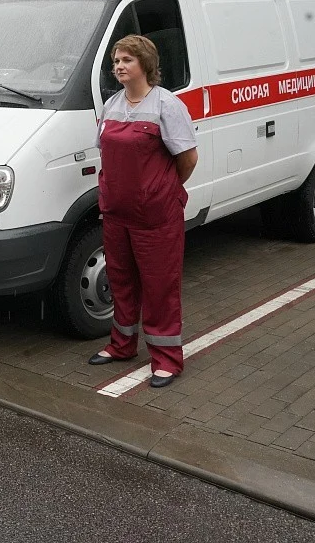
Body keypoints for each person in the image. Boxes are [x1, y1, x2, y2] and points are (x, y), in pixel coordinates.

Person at [88, 35, 198, 389]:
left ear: (145, 64)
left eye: (126, 60)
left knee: (159, 286)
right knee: (121, 281)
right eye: (116, 61)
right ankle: (121, 346)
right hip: (117, 213)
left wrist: (160, 190)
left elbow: (188, 158)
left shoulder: (167, 105)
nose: (118, 66)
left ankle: (166, 359)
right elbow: (106, 154)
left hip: (156, 216)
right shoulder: (112, 104)